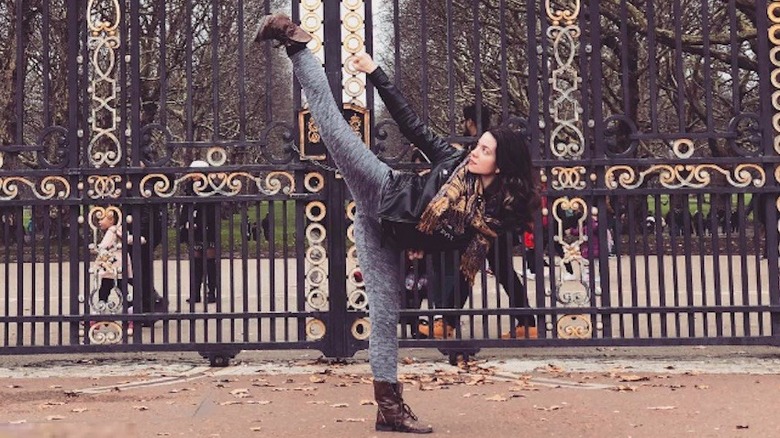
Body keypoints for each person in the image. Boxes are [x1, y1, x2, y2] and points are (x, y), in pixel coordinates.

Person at [255, 14, 539, 434]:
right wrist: (375, 73)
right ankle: (295, 41)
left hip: (382, 232)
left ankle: (388, 408)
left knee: (385, 316)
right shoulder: (451, 163)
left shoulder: (498, 213)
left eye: (484, 150)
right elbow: (410, 122)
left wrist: (427, 251)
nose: (474, 153)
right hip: (382, 189)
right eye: (477, 146)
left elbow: (464, 249)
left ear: (503, 163)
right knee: (333, 128)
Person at [418, 103, 537, 340]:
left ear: (470, 121)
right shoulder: (481, 147)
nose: (476, 152)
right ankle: (527, 323)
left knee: (479, 267)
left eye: (485, 150)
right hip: (486, 225)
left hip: (491, 224)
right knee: (497, 271)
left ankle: (450, 323)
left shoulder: (498, 148)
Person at [91, 208, 139, 331]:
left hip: (112, 265)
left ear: (112, 219)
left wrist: (96, 248)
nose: (100, 221)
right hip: (120, 264)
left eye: (103, 218)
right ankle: (129, 316)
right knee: (121, 290)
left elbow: (104, 245)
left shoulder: (111, 230)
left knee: (105, 289)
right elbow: (128, 238)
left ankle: (98, 316)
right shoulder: (118, 229)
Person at [179, 160, 220, 304]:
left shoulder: (211, 188)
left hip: (208, 228)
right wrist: (185, 222)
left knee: (209, 261)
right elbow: (186, 206)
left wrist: (199, 221)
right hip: (194, 230)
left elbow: (212, 210)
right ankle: (195, 292)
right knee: (196, 261)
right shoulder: (189, 187)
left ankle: (212, 292)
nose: (193, 175)